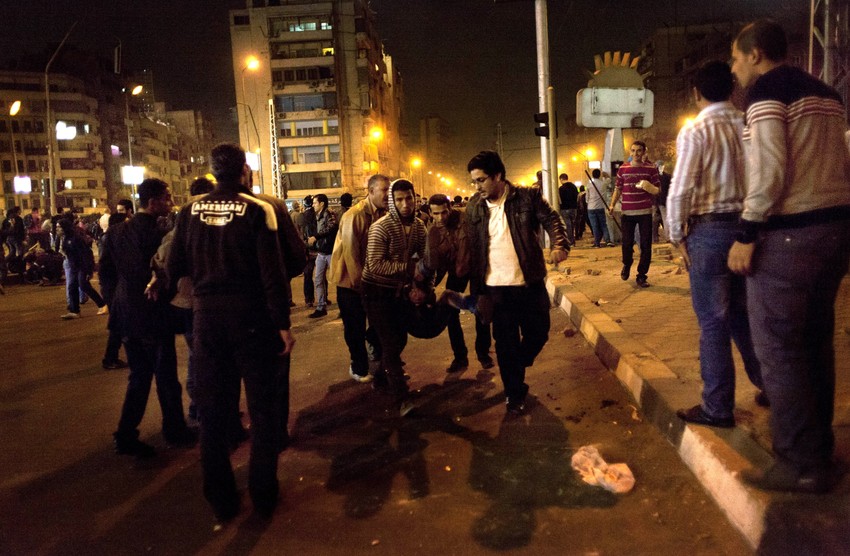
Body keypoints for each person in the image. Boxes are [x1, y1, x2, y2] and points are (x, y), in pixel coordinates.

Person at [727, 20, 850, 493]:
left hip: (790, 237)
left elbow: (770, 170)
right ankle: (819, 453)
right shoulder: (827, 94)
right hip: (834, 230)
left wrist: (747, 232)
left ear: (755, 54)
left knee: (779, 350)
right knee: (815, 343)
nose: (735, 68)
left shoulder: (765, 94)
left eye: (737, 58)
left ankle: (799, 462)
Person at [166, 143, 294, 520]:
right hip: (252, 319)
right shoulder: (258, 209)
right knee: (262, 409)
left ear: (212, 171)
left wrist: (183, 291)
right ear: (244, 172)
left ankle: (220, 498)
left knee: (213, 411)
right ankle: (263, 492)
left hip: (207, 320)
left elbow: (173, 266)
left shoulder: (188, 211)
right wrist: (282, 324)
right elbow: (272, 273)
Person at [666, 60, 766, 430]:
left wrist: (676, 235)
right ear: (732, 88)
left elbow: (681, 189)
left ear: (696, 93)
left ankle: (718, 407)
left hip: (708, 233)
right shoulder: (749, 123)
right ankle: (770, 384)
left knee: (713, 322)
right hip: (748, 229)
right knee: (744, 315)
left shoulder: (696, 130)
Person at [465, 151, 569, 414]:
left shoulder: (526, 197)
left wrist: (559, 245)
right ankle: (514, 392)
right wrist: (477, 292)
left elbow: (552, 219)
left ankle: (517, 364)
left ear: (498, 176)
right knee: (505, 343)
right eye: (474, 181)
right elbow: (473, 249)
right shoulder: (474, 207)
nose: (477, 187)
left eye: (481, 180)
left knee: (539, 332)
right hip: (496, 289)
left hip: (529, 282)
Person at [99, 178, 195, 459]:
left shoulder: (115, 233)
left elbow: (106, 273)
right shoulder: (160, 235)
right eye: (166, 198)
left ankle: (126, 434)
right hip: (154, 315)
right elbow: (170, 274)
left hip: (125, 316)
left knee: (139, 376)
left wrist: (115, 301)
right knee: (166, 377)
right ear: (153, 202)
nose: (171, 202)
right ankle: (174, 430)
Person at [361, 179, 428, 416]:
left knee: (399, 340)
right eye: (399, 199)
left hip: (399, 291)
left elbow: (425, 260)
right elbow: (375, 264)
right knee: (390, 342)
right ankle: (401, 399)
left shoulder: (419, 227)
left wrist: (422, 287)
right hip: (376, 291)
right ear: (392, 201)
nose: (405, 204)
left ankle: (380, 376)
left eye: (409, 198)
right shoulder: (380, 227)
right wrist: (409, 269)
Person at [329, 174, 389, 383]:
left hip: (372, 281)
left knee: (380, 324)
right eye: (384, 190)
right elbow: (351, 254)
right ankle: (358, 367)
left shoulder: (383, 214)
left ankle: (379, 361)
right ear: (371, 192)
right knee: (354, 328)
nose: (388, 195)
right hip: (350, 283)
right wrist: (360, 285)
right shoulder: (354, 215)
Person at [424, 193, 493, 372]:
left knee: (481, 310)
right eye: (436, 213)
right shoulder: (433, 231)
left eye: (444, 212)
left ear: (450, 208)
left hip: (476, 269)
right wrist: (428, 287)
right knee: (451, 313)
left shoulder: (465, 220)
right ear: (430, 213)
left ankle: (483, 353)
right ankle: (460, 357)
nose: (440, 217)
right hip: (455, 272)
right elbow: (435, 263)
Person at [609, 141, 661, 287]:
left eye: (639, 150)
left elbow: (658, 189)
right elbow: (618, 189)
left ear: (644, 152)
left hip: (645, 212)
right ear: (630, 152)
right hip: (627, 212)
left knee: (645, 245)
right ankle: (627, 264)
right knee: (626, 244)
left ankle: (642, 275)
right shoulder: (623, 169)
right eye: (633, 150)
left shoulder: (651, 169)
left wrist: (650, 187)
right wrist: (612, 205)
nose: (636, 153)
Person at [57, 217, 107, 319]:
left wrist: (89, 269)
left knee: (84, 285)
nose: (57, 229)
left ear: (65, 227)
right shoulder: (64, 238)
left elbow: (86, 253)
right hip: (73, 266)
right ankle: (74, 311)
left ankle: (102, 304)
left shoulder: (75, 238)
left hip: (82, 266)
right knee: (72, 286)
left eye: (59, 227)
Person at [100, 212, 128, 369]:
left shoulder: (112, 238)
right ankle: (110, 358)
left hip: (113, 288)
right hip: (113, 288)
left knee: (118, 324)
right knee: (118, 324)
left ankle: (111, 357)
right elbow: (106, 267)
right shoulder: (110, 239)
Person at [307, 193, 337, 318]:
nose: (313, 205)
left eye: (315, 203)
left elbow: (331, 227)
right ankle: (321, 307)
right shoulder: (317, 215)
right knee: (318, 280)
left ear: (322, 203)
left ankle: (344, 307)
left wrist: (316, 237)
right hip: (321, 252)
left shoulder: (328, 213)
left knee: (338, 280)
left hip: (330, 252)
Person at [295, 195, 317, 307]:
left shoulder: (301, 216)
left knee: (307, 275)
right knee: (321, 275)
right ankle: (324, 297)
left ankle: (309, 299)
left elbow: (299, 233)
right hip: (318, 248)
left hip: (307, 249)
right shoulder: (317, 214)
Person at [585, 169, 614, 248]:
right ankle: (608, 240)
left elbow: (587, 199)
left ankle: (597, 243)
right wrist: (605, 174)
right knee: (603, 225)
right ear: (599, 175)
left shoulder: (589, 185)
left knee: (595, 226)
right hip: (601, 207)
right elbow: (609, 179)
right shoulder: (603, 183)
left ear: (592, 175)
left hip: (591, 208)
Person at [557, 174, 578, 246]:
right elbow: (576, 196)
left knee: (568, 226)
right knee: (573, 225)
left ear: (561, 179)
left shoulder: (561, 189)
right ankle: (573, 241)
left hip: (565, 209)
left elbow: (559, 200)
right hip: (574, 208)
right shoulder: (574, 187)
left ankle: (570, 241)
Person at [653, 163, 672, 243]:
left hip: (654, 201)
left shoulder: (653, 177)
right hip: (663, 201)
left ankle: (654, 238)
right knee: (665, 219)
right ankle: (668, 237)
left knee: (654, 220)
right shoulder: (667, 176)